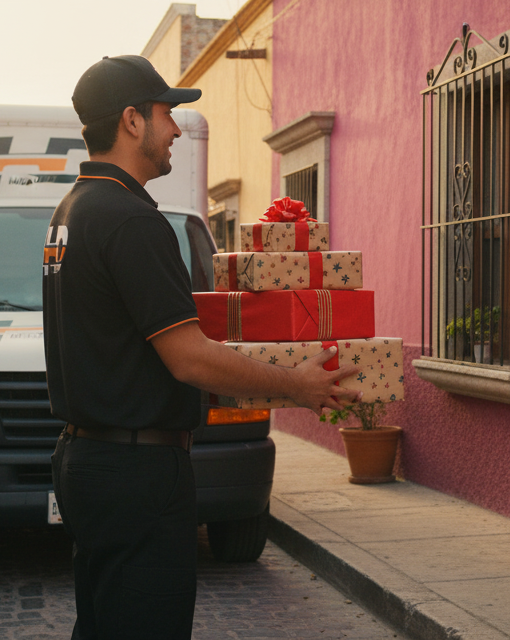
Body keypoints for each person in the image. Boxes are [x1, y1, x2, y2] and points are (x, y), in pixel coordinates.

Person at [42, 54, 362, 639]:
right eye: (167, 113)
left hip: (90, 461)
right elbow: (187, 356)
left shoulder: (74, 209)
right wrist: (296, 382)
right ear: (132, 121)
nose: (175, 129)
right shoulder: (132, 220)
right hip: (136, 471)